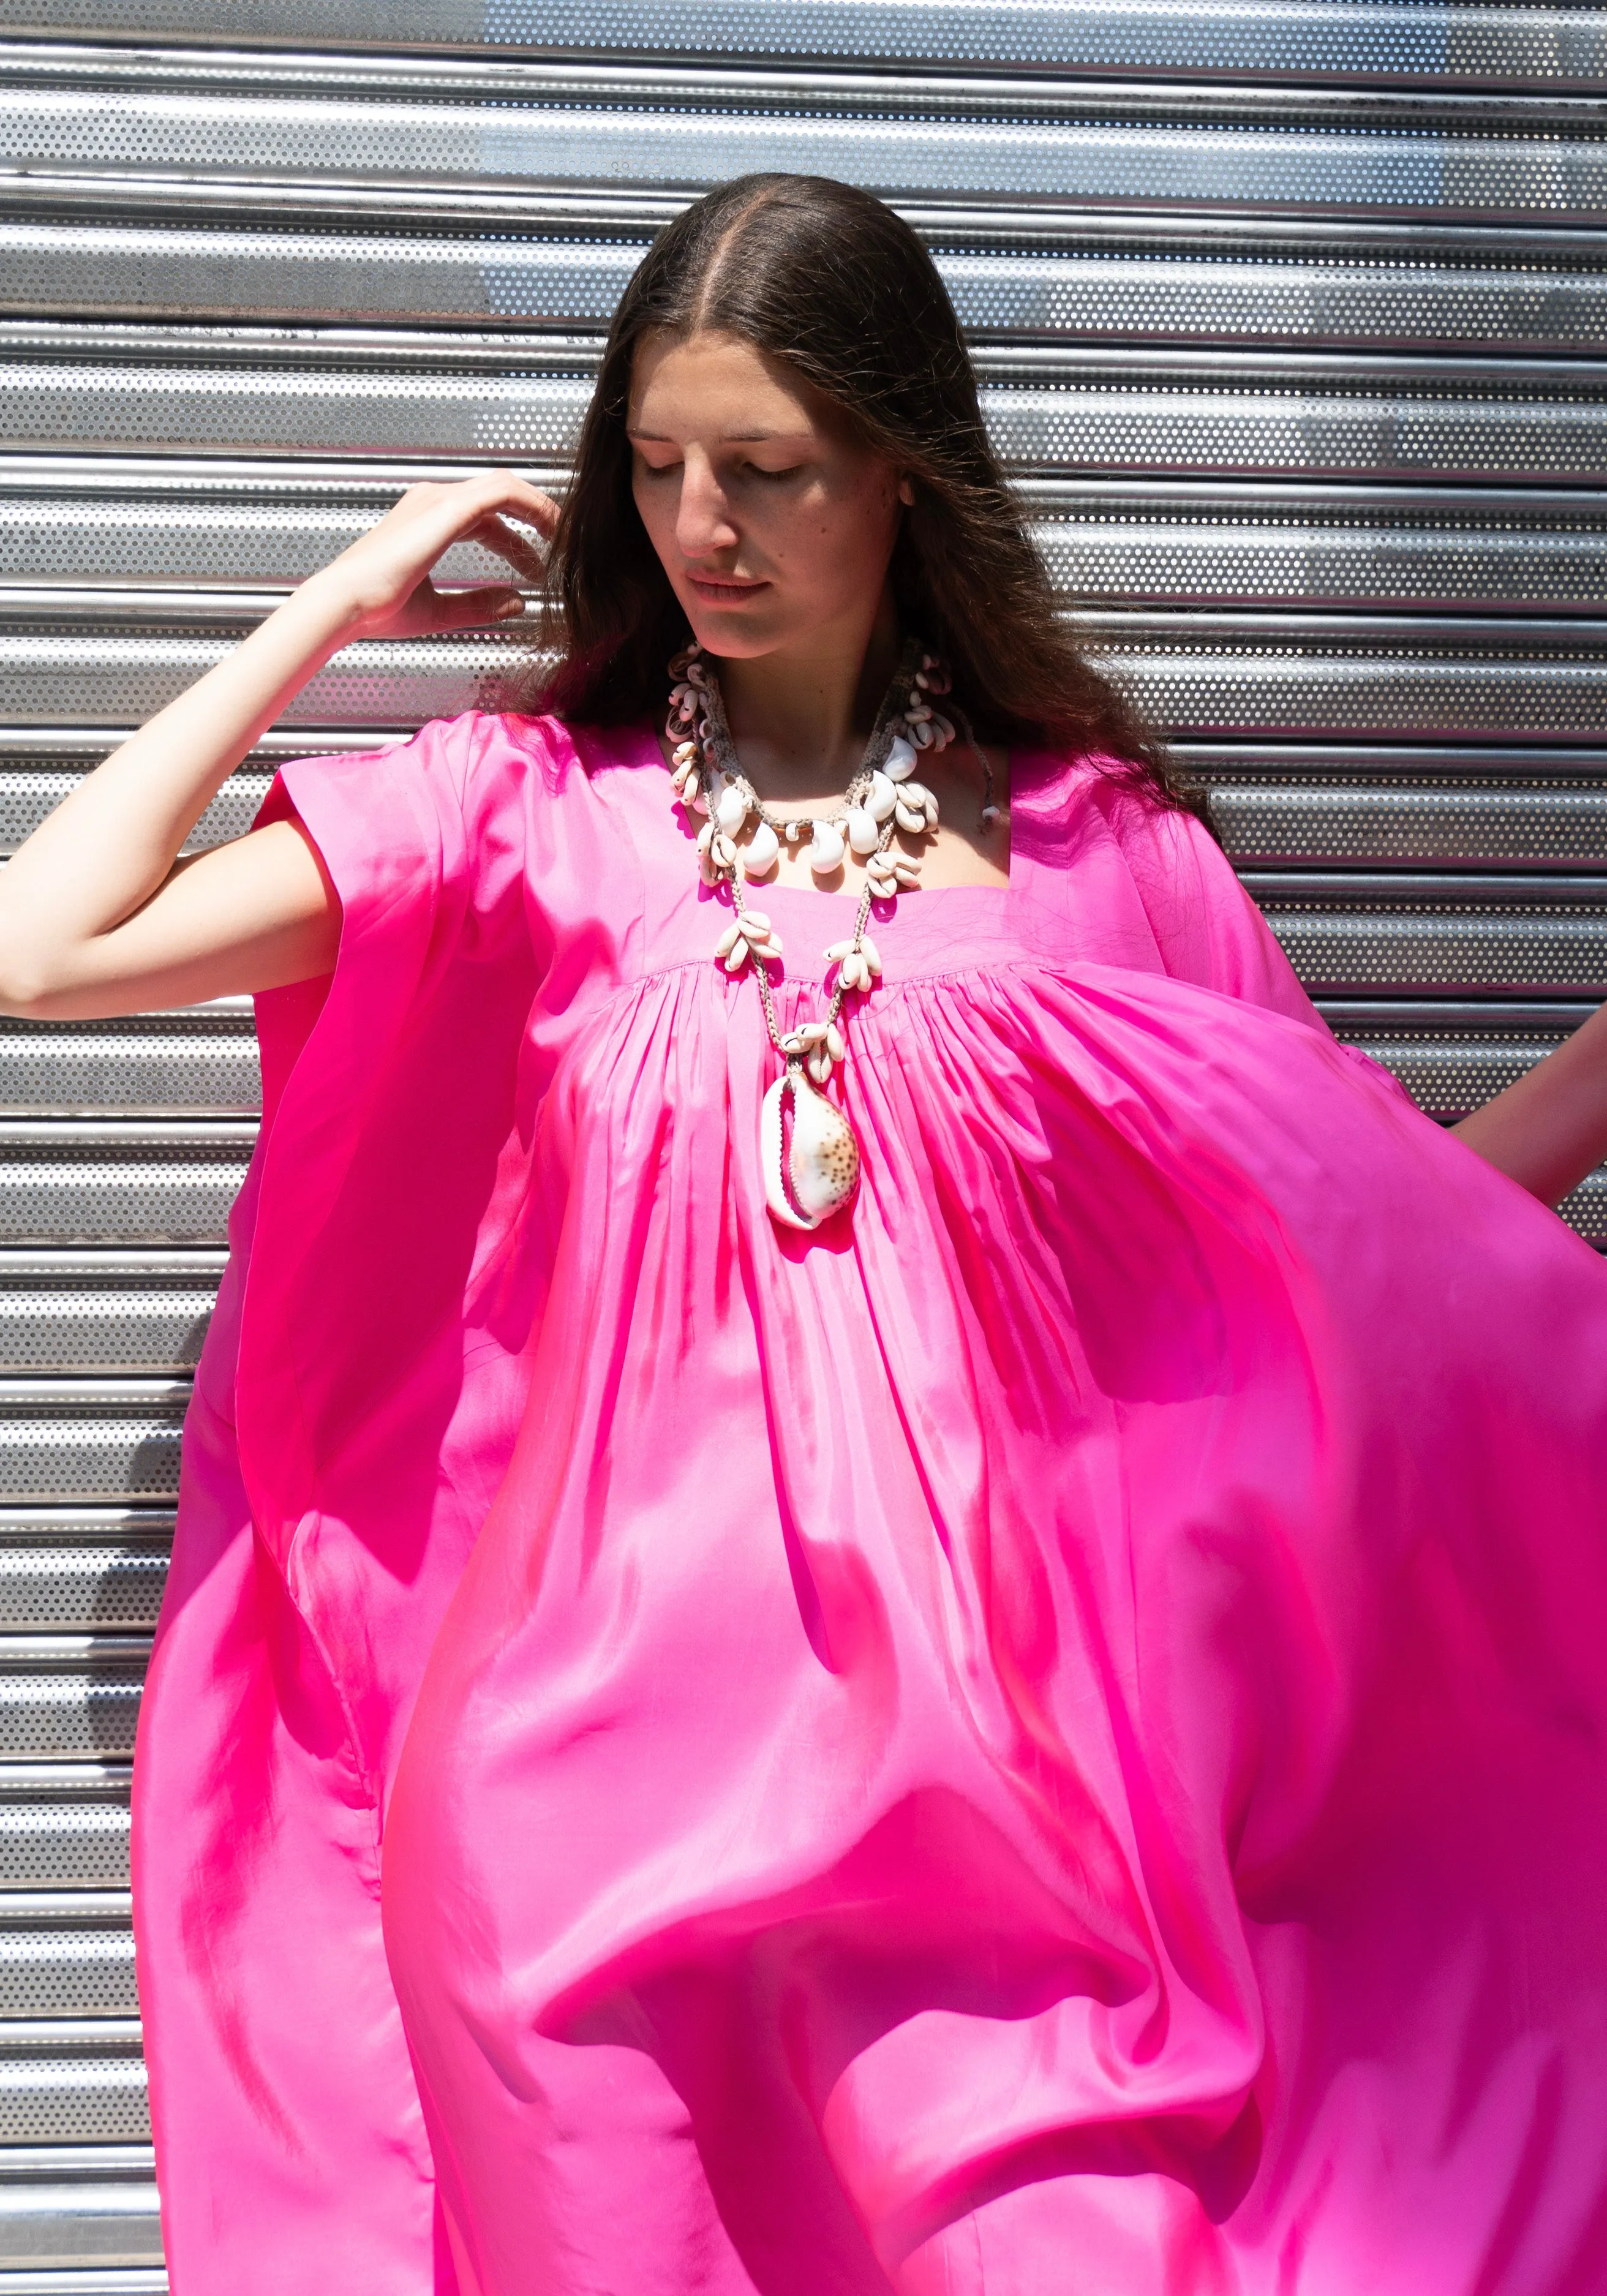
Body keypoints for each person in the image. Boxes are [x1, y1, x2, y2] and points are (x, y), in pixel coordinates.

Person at [1, 172, 1605, 2296]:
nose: (699, 529)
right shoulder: (520, 817)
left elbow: (1364, 1271)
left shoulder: (1099, 852)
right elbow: (46, 947)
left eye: (765, 467)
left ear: (904, 475)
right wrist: (334, 604)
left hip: (1016, 1853)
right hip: (567, 1851)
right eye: (654, 468)